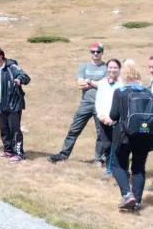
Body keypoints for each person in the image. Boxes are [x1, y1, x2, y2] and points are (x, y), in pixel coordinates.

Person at [49, 43, 108, 164]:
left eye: (98, 51)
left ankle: (99, 159)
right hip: (85, 104)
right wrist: (96, 83)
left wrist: (89, 81)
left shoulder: (106, 67)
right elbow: (80, 84)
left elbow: (105, 85)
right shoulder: (84, 66)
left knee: (101, 133)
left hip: (101, 105)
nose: (95, 54)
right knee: (74, 129)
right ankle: (63, 154)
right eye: (93, 51)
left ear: (102, 52)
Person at [107, 60, 153, 211]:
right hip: (145, 134)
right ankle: (137, 203)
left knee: (117, 164)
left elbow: (113, 115)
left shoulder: (120, 92)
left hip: (124, 134)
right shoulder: (147, 92)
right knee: (139, 168)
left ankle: (127, 195)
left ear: (123, 75)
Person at [0, 46, 30, 163]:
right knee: (4, 128)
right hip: (2, 104)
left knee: (14, 129)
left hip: (13, 104)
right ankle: (8, 150)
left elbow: (25, 77)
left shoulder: (12, 66)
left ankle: (19, 153)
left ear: (1, 56)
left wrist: (19, 80)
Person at [95, 59, 122, 171]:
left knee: (117, 145)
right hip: (103, 118)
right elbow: (98, 101)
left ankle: (117, 168)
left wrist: (113, 118)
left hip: (117, 119)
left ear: (119, 69)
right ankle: (109, 168)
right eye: (110, 67)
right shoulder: (102, 83)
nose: (112, 70)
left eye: (115, 67)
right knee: (106, 144)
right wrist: (101, 116)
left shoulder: (123, 84)